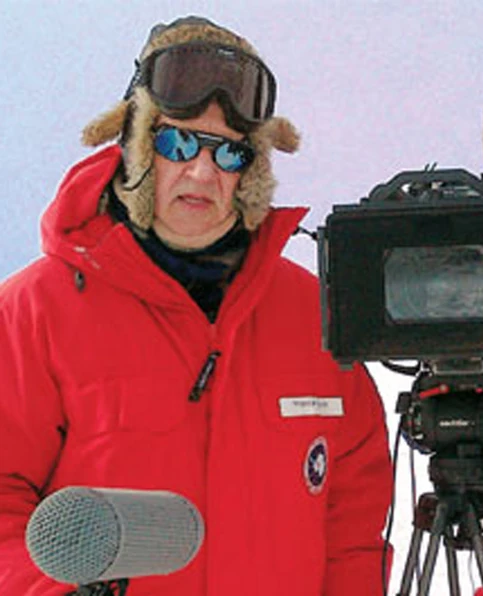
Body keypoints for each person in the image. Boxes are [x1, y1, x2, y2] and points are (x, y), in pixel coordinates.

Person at [0, 16, 393, 595]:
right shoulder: (34, 312)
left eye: (230, 154)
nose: (202, 171)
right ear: (137, 148)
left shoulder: (315, 314)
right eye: (177, 142)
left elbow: (353, 525)